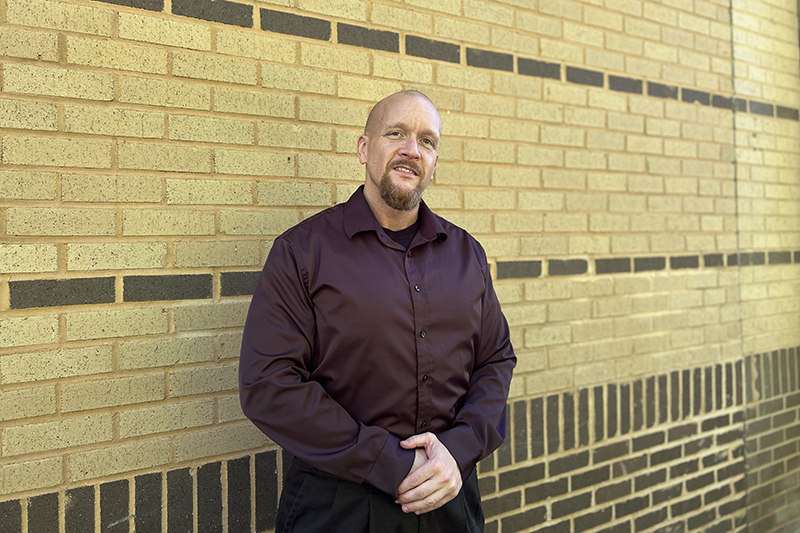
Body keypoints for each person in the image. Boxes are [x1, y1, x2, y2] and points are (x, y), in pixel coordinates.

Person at [239, 90, 516, 532]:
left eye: (427, 141)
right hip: (339, 508)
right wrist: (387, 462)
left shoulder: (468, 255)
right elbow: (269, 383)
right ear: (364, 148)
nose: (412, 150)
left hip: (449, 500)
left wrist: (460, 449)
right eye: (396, 134)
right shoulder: (303, 252)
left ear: (435, 163)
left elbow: (496, 359)